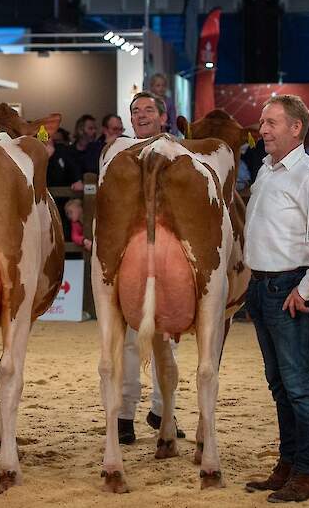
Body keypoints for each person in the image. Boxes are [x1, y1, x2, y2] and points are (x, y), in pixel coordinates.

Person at [243, 94, 309, 503]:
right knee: (279, 384)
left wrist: (307, 288)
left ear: (296, 128)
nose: (262, 130)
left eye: (271, 123)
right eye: (263, 123)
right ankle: (287, 463)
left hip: (288, 288)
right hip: (262, 287)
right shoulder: (266, 169)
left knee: (299, 385)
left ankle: (306, 473)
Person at [117, 91, 185, 445]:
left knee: (168, 340)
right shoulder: (119, 154)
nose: (141, 115)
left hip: (169, 258)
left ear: (163, 117)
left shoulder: (179, 154)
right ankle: (124, 415)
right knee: (129, 341)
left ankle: (164, 410)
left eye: (148, 110)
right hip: (130, 258)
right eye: (135, 111)